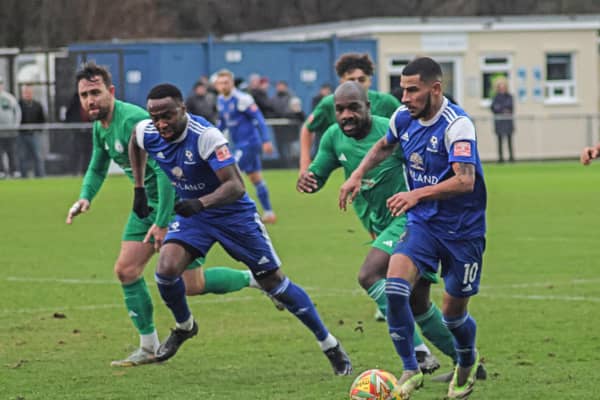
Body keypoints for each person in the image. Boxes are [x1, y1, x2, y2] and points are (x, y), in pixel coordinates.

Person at [128, 83, 353, 376]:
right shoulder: (148, 131)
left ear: (183, 109)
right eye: (155, 117)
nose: (161, 124)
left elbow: (235, 186)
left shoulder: (206, 137)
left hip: (234, 216)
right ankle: (185, 327)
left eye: (167, 116)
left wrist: (201, 202)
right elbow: (135, 140)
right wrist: (138, 187)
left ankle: (330, 345)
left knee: (276, 283)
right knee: (166, 271)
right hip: (196, 216)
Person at [65, 62, 262, 367]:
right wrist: (84, 198)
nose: (90, 100)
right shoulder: (99, 127)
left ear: (111, 91)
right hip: (145, 206)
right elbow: (97, 165)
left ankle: (254, 279)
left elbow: (166, 174)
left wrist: (162, 222)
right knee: (126, 271)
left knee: (191, 285)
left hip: (176, 204)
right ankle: (148, 347)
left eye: (95, 92)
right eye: (83, 95)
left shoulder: (134, 119)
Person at [340, 57, 486, 399]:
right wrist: (357, 174)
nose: (404, 97)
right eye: (402, 89)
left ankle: (466, 361)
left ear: (435, 89)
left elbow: (465, 181)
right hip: (423, 223)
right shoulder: (403, 117)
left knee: (453, 316)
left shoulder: (457, 125)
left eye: (412, 90)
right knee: (394, 287)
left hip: (463, 231)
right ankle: (412, 367)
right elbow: (383, 145)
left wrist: (416, 193)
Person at [297, 81, 458, 375]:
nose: (346, 115)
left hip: (412, 220)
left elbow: (432, 166)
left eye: (353, 108)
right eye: (340, 109)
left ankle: (419, 354)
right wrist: (309, 181)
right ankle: (466, 362)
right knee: (418, 303)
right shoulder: (333, 136)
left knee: (369, 274)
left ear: (368, 107)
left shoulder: (392, 131)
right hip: (380, 224)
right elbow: (318, 172)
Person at [299, 53, 400, 173]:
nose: (357, 83)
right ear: (342, 81)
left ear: (370, 81)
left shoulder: (386, 102)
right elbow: (308, 127)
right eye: (351, 79)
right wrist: (305, 162)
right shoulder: (329, 103)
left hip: (385, 168)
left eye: (362, 79)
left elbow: (409, 126)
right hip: (353, 166)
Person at [214, 69, 277, 223]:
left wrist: (266, 140)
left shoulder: (242, 99)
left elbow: (259, 119)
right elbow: (223, 123)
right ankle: (269, 213)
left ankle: (236, 214)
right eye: (220, 83)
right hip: (238, 145)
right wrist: (213, 136)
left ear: (232, 82)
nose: (223, 85)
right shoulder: (221, 100)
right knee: (255, 177)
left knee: (231, 175)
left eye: (226, 82)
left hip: (249, 144)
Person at [17, 84, 46, 178]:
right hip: (22, 135)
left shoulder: (37, 105)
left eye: (29, 92)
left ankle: (40, 176)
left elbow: (42, 119)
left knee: (38, 157)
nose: (27, 94)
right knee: (23, 157)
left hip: (34, 135)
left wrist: (37, 129)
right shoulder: (18, 105)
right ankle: (24, 176)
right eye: (25, 92)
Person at [0, 76, 21, 178]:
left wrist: (15, 126)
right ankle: (1, 172)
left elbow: (17, 112)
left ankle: (15, 171)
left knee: (12, 152)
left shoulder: (9, 98)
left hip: (10, 133)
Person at [490, 78, 515, 163]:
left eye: (503, 86)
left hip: (508, 121)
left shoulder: (509, 96)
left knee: (509, 140)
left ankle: (511, 157)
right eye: (500, 87)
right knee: (500, 140)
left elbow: (510, 107)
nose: (502, 88)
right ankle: (500, 158)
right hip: (499, 122)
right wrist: (502, 109)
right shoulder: (495, 97)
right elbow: (494, 108)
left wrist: (501, 108)